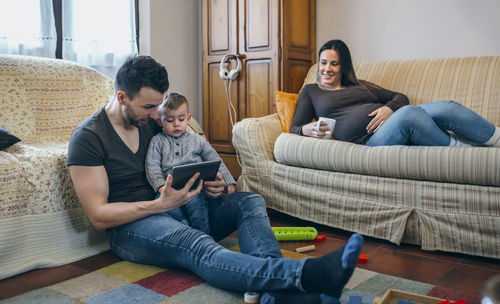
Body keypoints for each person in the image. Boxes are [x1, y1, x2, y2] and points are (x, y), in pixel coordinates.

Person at [67, 55, 364, 303]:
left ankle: (276, 292)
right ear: (122, 97)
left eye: (157, 108)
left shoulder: (153, 120)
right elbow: (99, 216)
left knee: (249, 200)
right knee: (197, 243)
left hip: (182, 205)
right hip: (134, 227)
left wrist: (216, 183)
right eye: (147, 107)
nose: (155, 115)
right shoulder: (89, 138)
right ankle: (304, 275)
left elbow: (191, 143)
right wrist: (159, 205)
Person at [290, 39, 500, 147]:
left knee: (448, 107)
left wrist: (389, 109)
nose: (327, 69)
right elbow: (294, 128)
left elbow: (400, 97)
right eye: (324, 63)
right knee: (410, 114)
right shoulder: (312, 91)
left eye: (334, 64)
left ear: (343, 66)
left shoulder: (360, 85)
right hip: (370, 139)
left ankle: (496, 138)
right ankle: (463, 152)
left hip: (394, 120)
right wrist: (304, 130)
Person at [145, 92, 236, 234]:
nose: (176, 124)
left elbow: (215, 160)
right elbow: (152, 168)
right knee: (164, 208)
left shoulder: (197, 140)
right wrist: (162, 188)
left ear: (188, 118)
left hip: (195, 187)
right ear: (159, 121)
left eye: (181, 119)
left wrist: (228, 182)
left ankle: (204, 239)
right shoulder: (157, 141)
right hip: (170, 189)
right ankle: (185, 230)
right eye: (169, 120)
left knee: (197, 209)